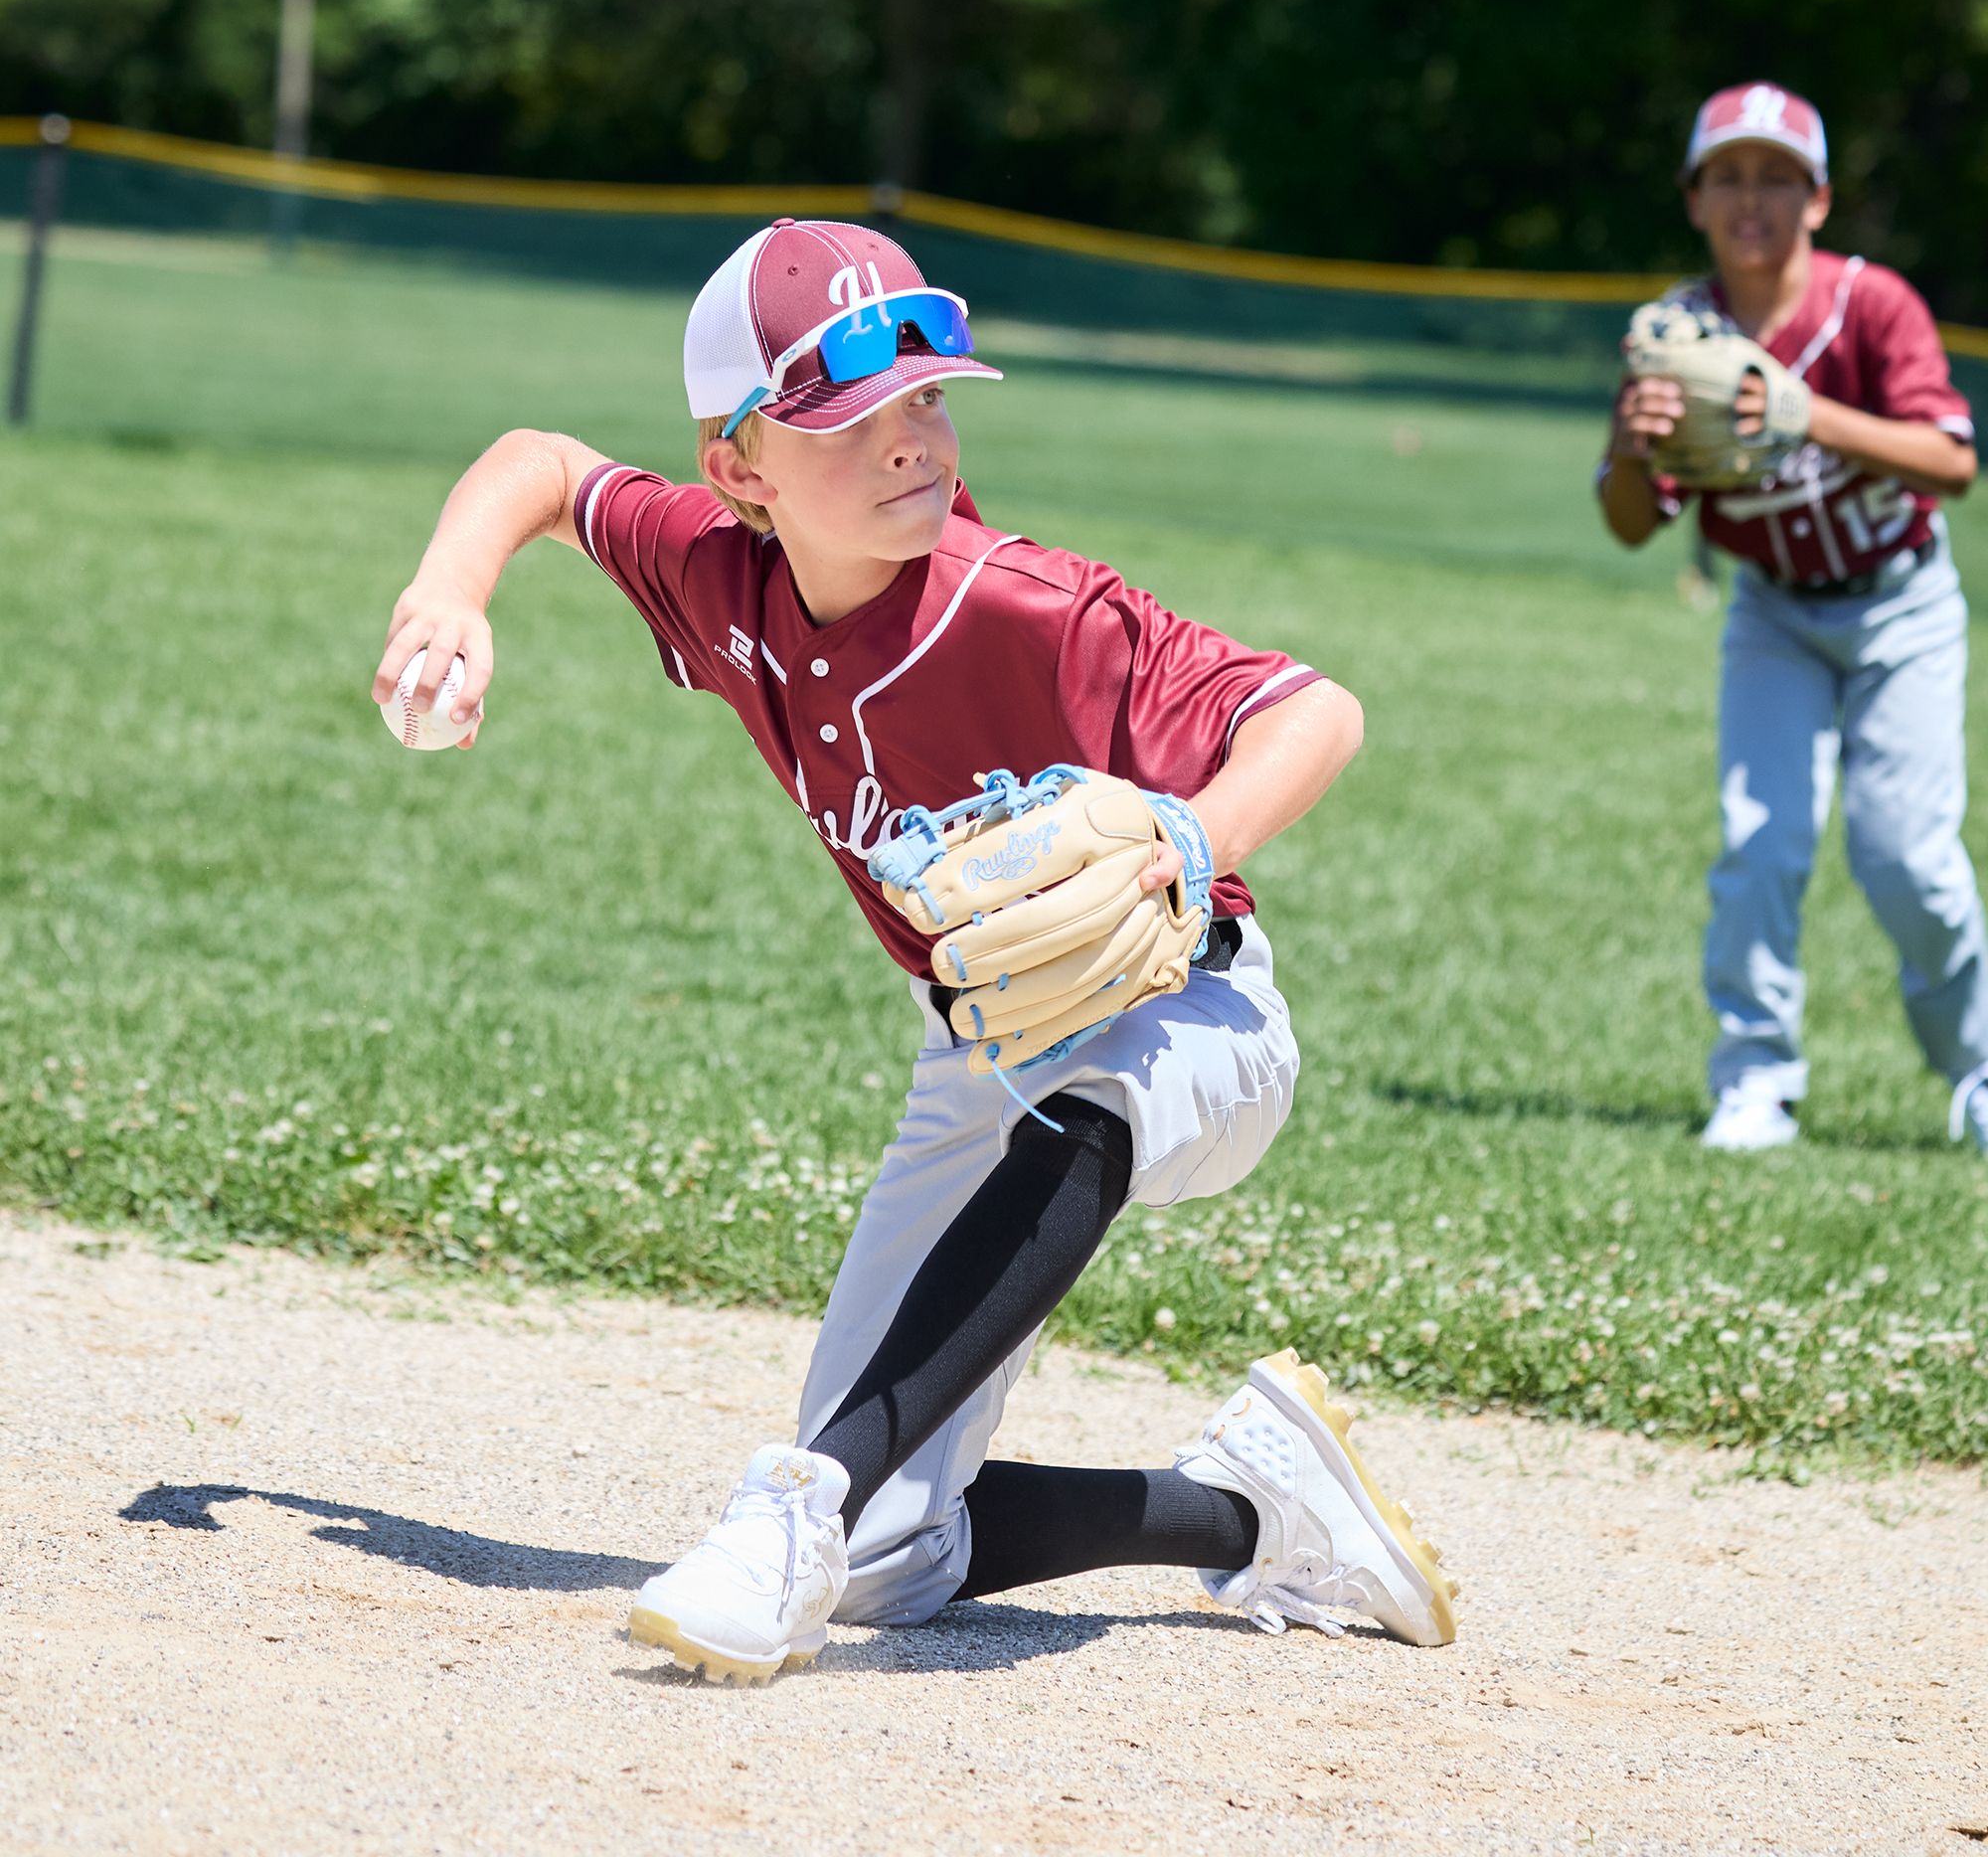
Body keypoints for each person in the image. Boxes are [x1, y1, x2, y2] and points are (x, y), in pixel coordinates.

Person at [372, 218, 1455, 1682]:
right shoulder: (722, 579)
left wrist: (1181, 846)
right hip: (984, 1047)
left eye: (929, 398)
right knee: (894, 1569)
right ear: (741, 468)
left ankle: (798, 1500)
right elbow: (546, 468)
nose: (911, 441)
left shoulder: (1028, 606)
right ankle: (1249, 1511)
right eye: (852, 417)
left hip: (1194, 1020)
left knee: (1089, 1111)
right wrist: (454, 585)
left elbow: (1314, 713)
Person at [1598, 84, 1986, 1152]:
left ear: (1817, 200)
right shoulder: (1674, 337)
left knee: (1905, 855)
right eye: (1727, 174)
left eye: (1776, 175)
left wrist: (1808, 411)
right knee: (1760, 847)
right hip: (1770, 615)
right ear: (1692, 198)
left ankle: (1977, 1067)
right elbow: (1630, 524)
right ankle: (1753, 1076)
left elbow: (1952, 459)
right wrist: (1631, 444)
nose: (1750, 197)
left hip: (1899, 603)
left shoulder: (1871, 305)